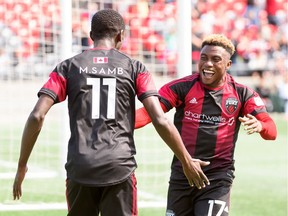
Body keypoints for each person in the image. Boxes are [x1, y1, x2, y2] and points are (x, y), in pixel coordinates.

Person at [12, 9, 210, 216]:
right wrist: (187, 161)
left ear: (91, 36)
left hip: (80, 167)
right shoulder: (135, 67)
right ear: (121, 36)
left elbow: (37, 115)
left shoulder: (68, 67)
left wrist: (22, 165)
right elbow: (159, 119)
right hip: (119, 166)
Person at [135, 34, 277, 216]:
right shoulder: (181, 87)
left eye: (215, 59)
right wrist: (115, 123)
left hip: (217, 178)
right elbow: (148, 114)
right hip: (183, 173)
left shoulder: (242, 94)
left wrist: (261, 125)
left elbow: (271, 131)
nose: (208, 64)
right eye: (204, 58)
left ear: (228, 65)